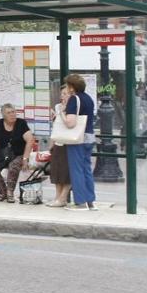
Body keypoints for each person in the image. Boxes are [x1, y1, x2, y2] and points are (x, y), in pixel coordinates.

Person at [59, 74, 97, 211]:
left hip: (77, 139)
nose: (67, 89)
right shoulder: (88, 99)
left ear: (72, 87)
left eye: (68, 86)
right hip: (89, 136)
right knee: (86, 168)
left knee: (76, 170)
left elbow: (70, 123)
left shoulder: (74, 99)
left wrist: (62, 113)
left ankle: (80, 202)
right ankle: (90, 201)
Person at [0, 103, 36, 203]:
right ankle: (3, 192)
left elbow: (30, 140)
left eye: (13, 112)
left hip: (19, 154)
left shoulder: (21, 123)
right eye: (9, 113)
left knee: (13, 166)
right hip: (3, 154)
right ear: (4, 115)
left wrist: (25, 159)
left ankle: (10, 193)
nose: (12, 114)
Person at [45, 88, 73, 207]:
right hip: (58, 141)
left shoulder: (72, 108)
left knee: (66, 171)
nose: (63, 96)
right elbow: (56, 126)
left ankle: (63, 197)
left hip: (68, 141)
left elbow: (69, 123)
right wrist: (51, 144)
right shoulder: (57, 107)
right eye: (61, 93)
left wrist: (62, 112)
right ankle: (58, 197)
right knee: (56, 170)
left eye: (65, 94)